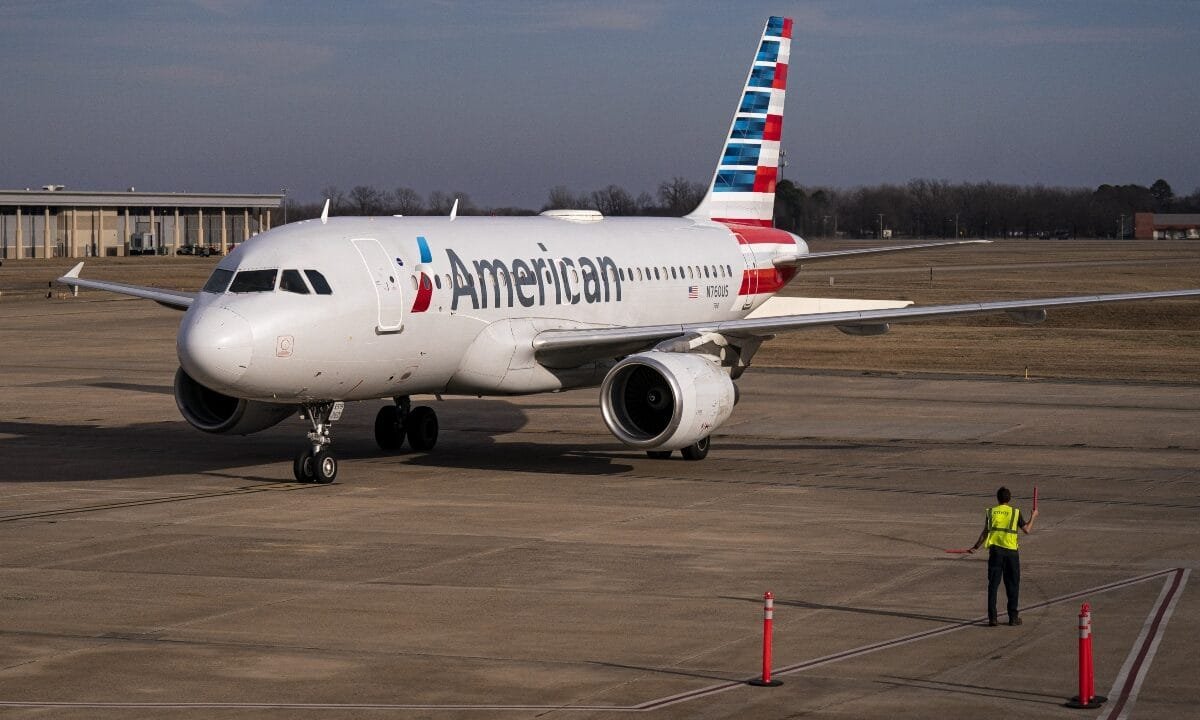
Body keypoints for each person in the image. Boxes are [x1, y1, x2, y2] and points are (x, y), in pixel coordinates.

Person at [968, 486, 1037, 626]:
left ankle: (993, 618)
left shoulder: (991, 512)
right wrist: (1033, 516)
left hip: (995, 553)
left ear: (997, 499)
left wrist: (975, 547)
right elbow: (1027, 530)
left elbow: (985, 532)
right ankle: (1013, 617)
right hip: (1011, 553)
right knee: (1012, 585)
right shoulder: (1015, 512)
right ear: (1009, 499)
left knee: (993, 586)